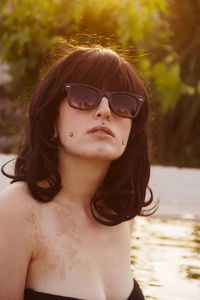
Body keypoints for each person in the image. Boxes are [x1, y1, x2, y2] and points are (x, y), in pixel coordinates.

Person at [0, 46, 155, 300]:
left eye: (123, 103)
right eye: (84, 98)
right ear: (51, 120)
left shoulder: (119, 214)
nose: (105, 110)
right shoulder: (14, 211)